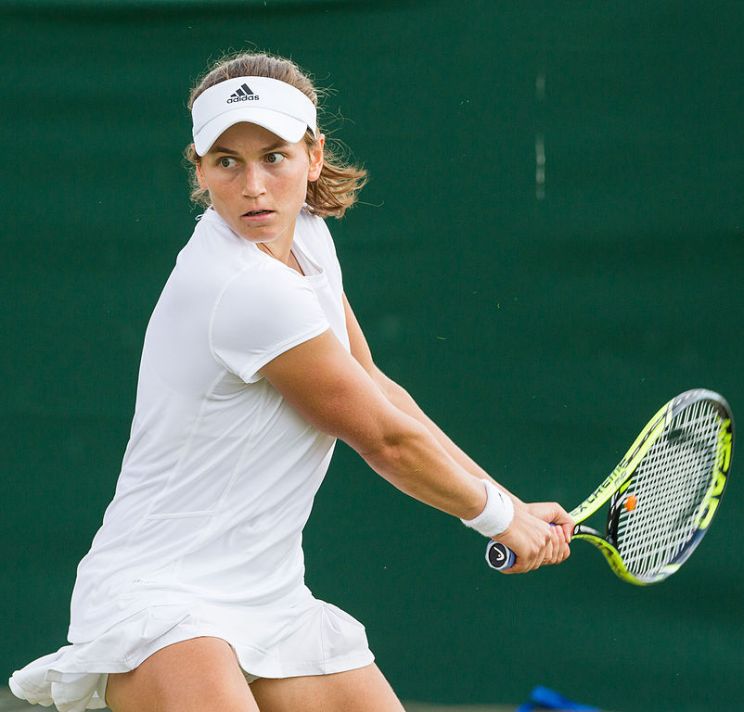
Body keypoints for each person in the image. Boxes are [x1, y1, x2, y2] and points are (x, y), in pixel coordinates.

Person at [9, 51, 573, 712]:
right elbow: (384, 440)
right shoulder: (243, 288)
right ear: (200, 169)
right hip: (161, 602)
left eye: (273, 156)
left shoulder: (307, 238)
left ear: (313, 154)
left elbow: (374, 385)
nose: (253, 187)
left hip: (270, 597)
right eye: (228, 162)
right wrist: (497, 518)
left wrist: (509, 505)